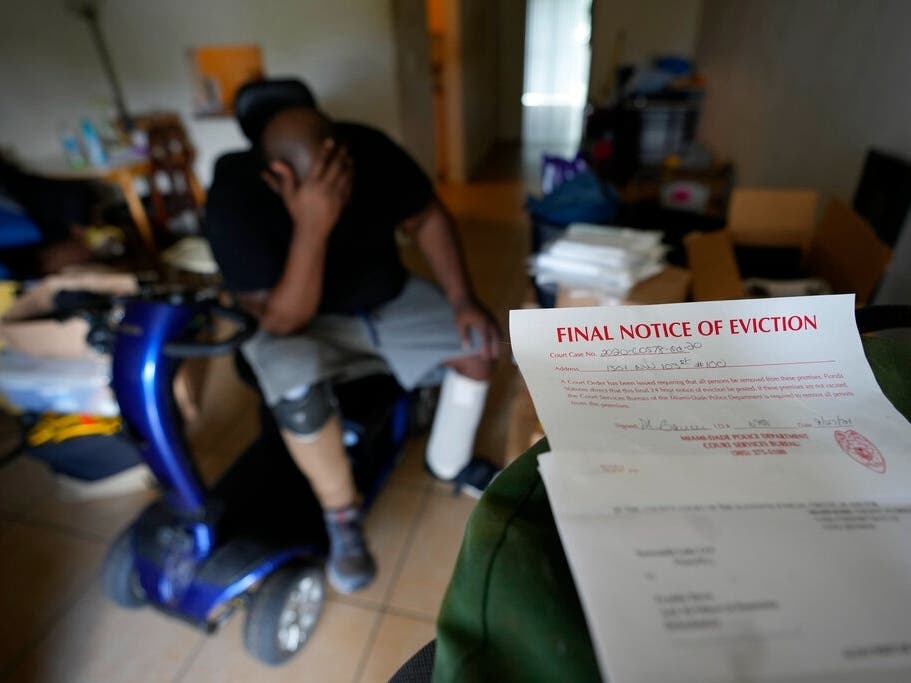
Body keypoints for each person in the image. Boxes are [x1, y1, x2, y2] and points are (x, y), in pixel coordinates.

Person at [205, 79, 502, 593]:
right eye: (326, 177)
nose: (342, 178)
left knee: (480, 348)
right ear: (278, 176)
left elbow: (426, 216)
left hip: (387, 300)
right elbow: (281, 321)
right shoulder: (233, 195)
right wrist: (313, 225)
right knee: (294, 387)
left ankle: (450, 462)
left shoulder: (367, 146)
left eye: (340, 163)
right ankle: (341, 515)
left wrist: (461, 300)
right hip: (300, 320)